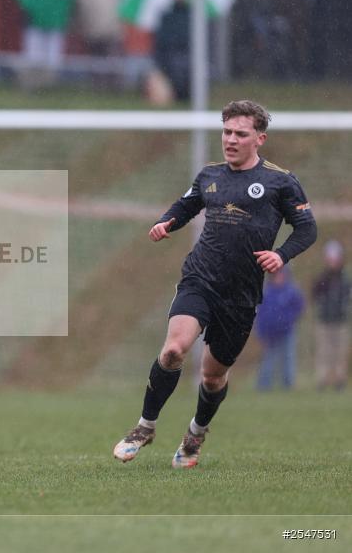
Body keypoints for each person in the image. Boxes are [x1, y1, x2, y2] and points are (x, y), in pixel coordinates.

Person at [113, 100, 317, 468]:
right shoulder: (210, 175)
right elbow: (186, 205)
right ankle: (145, 426)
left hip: (240, 294)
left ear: (260, 138)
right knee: (174, 350)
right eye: (226, 132)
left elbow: (307, 229)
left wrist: (281, 255)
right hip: (200, 278)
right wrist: (166, 223)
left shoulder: (280, 181)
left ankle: (195, 433)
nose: (231, 139)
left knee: (212, 376)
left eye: (240, 133)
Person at [12, 0, 73, 72]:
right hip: (37, 17)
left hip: (53, 17)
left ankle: (47, 82)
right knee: (36, 52)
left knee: (49, 53)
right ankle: (39, 82)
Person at [255, 266, 305, 391]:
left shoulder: (290, 291)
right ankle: (264, 385)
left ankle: (287, 385)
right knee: (269, 360)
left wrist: (289, 320)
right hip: (270, 334)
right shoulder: (267, 293)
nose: (279, 277)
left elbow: (299, 307)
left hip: (287, 332)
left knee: (288, 359)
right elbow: (261, 315)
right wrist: (261, 333)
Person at [311, 240, 350, 391]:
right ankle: (323, 380)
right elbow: (315, 295)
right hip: (324, 321)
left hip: (340, 321)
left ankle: (340, 380)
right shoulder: (322, 278)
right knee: (323, 352)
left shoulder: (345, 279)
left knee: (340, 353)